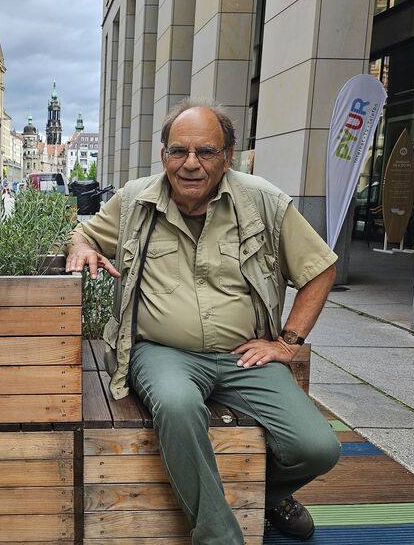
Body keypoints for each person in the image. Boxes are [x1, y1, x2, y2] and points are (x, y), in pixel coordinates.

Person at [66, 100, 339, 544]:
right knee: (176, 406)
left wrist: (287, 342)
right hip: (161, 352)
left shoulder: (263, 202)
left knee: (317, 448)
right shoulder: (136, 200)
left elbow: (321, 268)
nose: (190, 164)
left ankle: (268, 497)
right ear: (164, 156)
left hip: (243, 355)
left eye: (205, 152)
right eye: (179, 151)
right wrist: (80, 246)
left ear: (228, 156)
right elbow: (85, 233)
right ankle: (218, 536)